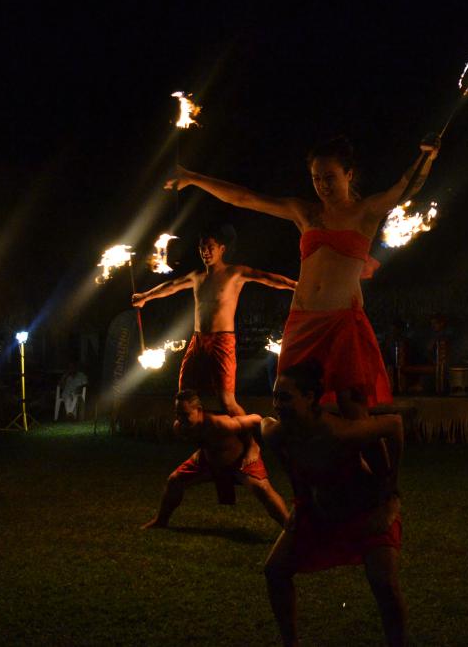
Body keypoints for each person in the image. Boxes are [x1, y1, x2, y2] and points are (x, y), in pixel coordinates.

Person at [165, 135, 440, 420]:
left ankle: (384, 443)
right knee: (289, 403)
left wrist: (426, 157)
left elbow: (405, 188)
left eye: (330, 177)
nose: (322, 185)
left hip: (340, 320)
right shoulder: (305, 213)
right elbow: (245, 198)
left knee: (352, 406)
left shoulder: (364, 212)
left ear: (349, 174)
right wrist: (193, 177)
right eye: (316, 178)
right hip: (302, 319)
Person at [261, 361, 406, 647]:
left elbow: (394, 426)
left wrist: (391, 495)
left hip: (365, 509)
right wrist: (299, 502)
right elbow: (289, 464)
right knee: (275, 570)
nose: (277, 405)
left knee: (383, 582)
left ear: (310, 397)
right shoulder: (276, 434)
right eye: (275, 397)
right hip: (319, 512)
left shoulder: (339, 431)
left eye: (286, 397)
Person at [131, 223, 296, 417]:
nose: (205, 252)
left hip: (222, 341)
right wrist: (145, 296)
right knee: (185, 395)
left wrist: (296, 285)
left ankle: (250, 438)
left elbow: (267, 278)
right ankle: (202, 435)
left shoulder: (235, 273)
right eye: (202, 248)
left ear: (221, 249)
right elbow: (171, 286)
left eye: (210, 247)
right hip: (198, 341)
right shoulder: (196, 277)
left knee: (227, 402)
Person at [141, 389, 289, 529]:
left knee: (262, 488)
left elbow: (256, 419)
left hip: (239, 460)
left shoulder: (221, 424)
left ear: (199, 410)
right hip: (208, 460)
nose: (181, 419)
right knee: (174, 481)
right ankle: (161, 521)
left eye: (185, 414)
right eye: (177, 414)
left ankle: (291, 527)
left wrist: (252, 447)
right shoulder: (180, 427)